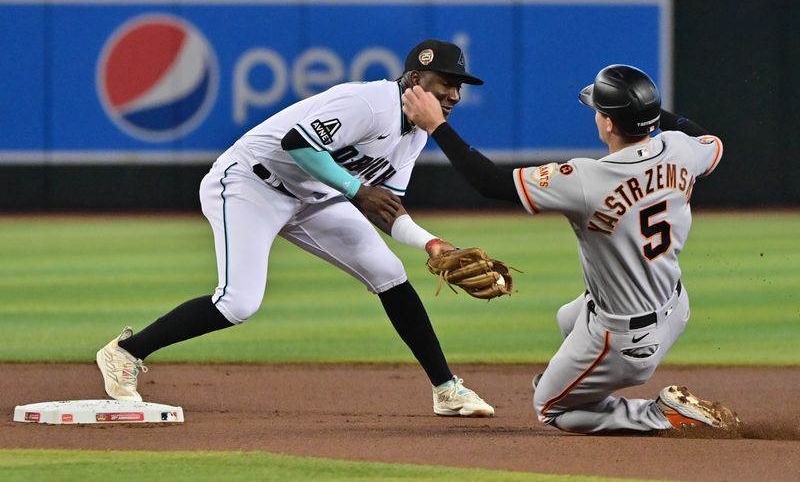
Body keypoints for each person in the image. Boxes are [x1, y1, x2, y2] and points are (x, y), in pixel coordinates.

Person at [96, 39, 495, 418]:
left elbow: (385, 209)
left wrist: (432, 244)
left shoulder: (414, 136)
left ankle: (445, 389)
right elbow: (297, 143)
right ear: (414, 80)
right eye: (446, 82)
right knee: (238, 303)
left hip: (314, 199)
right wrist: (356, 190)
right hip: (250, 183)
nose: (454, 95)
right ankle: (126, 352)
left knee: (389, 274)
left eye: (458, 86)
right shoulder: (370, 104)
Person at [401, 64, 741, 433]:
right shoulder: (679, 149)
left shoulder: (586, 179)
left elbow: (490, 183)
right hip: (674, 305)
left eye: (599, 110)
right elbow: (710, 141)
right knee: (568, 317)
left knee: (549, 407)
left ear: (608, 124)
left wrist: (437, 126)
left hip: (626, 338)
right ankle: (580, 380)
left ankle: (658, 414)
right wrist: (651, 113)